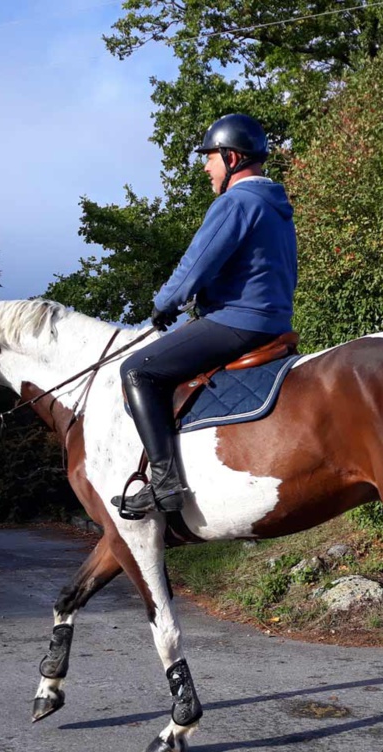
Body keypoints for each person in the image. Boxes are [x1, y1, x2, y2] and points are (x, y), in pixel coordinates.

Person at [111, 113, 298, 517]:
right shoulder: (275, 206)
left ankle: (163, 485)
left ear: (232, 157)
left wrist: (163, 304)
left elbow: (194, 267)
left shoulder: (236, 202)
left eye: (210, 156)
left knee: (137, 370)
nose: (205, 166)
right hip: (273, 321)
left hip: (239, 322)